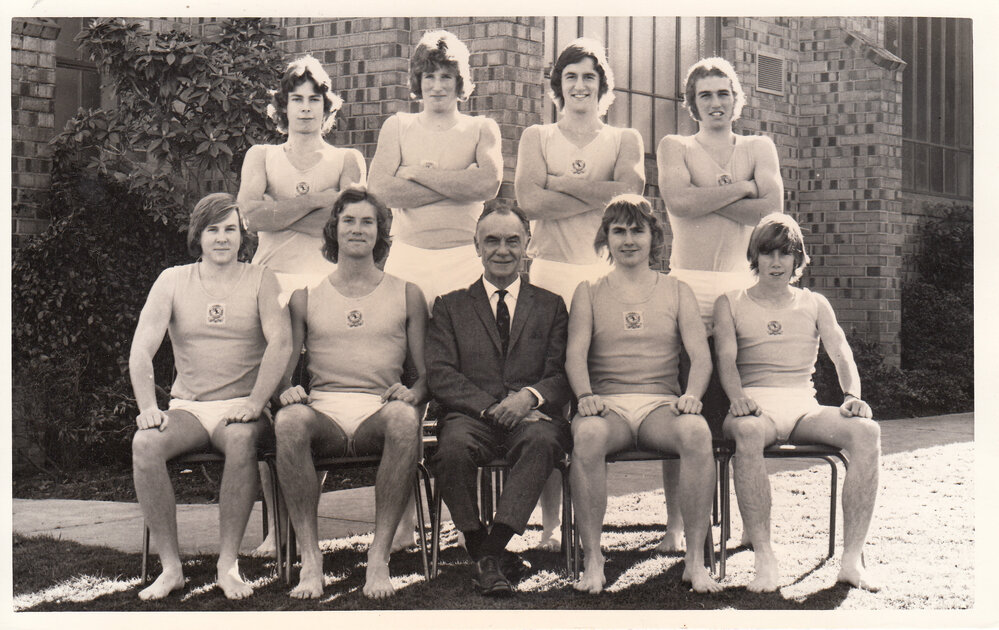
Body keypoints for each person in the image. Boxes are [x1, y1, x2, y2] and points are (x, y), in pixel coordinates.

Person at [514, 37, 645, 549]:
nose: (580, 85)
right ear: (558, 86)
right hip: (549, 276)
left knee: (595, 401)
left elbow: (629, 197)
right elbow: (529, 201)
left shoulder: (624, 138)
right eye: (570, 76)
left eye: (589, 76)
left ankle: (590, 522)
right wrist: (597, 192)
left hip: (603, 277)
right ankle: (550, 526)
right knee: (550, 402)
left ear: (602, 86)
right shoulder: (537, 135)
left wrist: (558, 186)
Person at [129, 193, 291, 600]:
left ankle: (228, 564)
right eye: (213, 230)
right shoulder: (172, 280)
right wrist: (148, 407)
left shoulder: (261, 279)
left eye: (230, 229)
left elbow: (281, 343)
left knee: (240, 438)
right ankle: (171, 568)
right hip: (189, 408)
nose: (222, 238)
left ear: (242, 236)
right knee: (145, 443)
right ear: (198, 236)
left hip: (241, 407)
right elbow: (141, 349)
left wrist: (256, 402)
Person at [238, 54, 366, 556]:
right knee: (273, 405)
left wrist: (283, 210)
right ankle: (277, 529)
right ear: (283, 106)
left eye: (315, 99)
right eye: (297, 99)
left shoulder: (348, 159)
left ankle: (305, 518)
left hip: (327, 289)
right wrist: (319, 201)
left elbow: (349, 226)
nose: (306, 108)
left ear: (328, 107)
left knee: (321, 406)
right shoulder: (262, 156)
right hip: (270, 287)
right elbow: (252, 218)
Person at [654, 57, 784, 552]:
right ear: (692, 103)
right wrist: (744, 188)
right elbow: (679, 204)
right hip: (686, 288)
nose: (715, 103)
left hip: (739, 289)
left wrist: (706, 194)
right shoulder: (676, 146)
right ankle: (676, 525)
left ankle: (746, 522)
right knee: (684, 409)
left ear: (736, 99)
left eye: (723, 93)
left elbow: (770, 212)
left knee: (739, 408)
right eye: (705, 95)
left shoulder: (758, 146)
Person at [272, 188, 428, 599]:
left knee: (404, 418)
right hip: (324, 410)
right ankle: (311, 559)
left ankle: (379, 558)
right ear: (334, 229)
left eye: (367, 221)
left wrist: (413, 393)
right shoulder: (305, 296)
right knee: (288, 421)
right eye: (349, 221)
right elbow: (281, 374)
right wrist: (287, 392)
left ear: (380, 232)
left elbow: (427, 376)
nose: (358, 229)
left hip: (378, 409)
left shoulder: (407, 292)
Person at [714, 213, 881, 592]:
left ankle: (852, 561)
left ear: (797, 258)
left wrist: (852, 395)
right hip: (754, 408)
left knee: (867, 432)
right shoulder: (731, 302)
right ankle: (764, 558)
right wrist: (738, 399)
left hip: (804, 407)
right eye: (768, 253)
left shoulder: (814, 303)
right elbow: (725, 359)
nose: (776, 262)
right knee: (748, 432)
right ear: (755, 257)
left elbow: (841, 353)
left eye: (785, 254)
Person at [566, 194, 721, 594]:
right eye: (619, 231)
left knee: (696, 432)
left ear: (654, 236)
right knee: (587, 435)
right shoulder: (588, 290)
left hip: (659, 406)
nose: (629, 240)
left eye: (638, 230)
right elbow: (574, 356)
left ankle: (695, 560)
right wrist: (584, 395)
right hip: (608, 406)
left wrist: (692, 394)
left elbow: (701, 357)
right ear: (606, 237)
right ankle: (593, 558)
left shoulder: (677, 289)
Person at [427, 205, 572, 596]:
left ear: (527, 245)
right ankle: (486, 550)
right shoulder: (450, 305)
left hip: (532, 419)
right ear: (476, 246)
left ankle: (488, 553)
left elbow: (562, 373)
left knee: (543, 442)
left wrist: (528, 398)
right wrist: (493, 407)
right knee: (452, 448)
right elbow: (441, 373)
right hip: (471, 417)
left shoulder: (551, 305)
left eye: (512, 240)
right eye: (491, 240)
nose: (502, 250)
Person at [369, 29, 503, 310]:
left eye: (446, 77)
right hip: (407, 258)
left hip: (463, 259)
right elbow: (380, 192)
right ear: (418, 80)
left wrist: (416, 174)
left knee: (465, 338)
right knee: (403, 337)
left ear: (459, 81)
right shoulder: (398, 126)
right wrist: (461, 184)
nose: (437, 86)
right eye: (429, 76)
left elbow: (488, 185)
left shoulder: (481, 128)